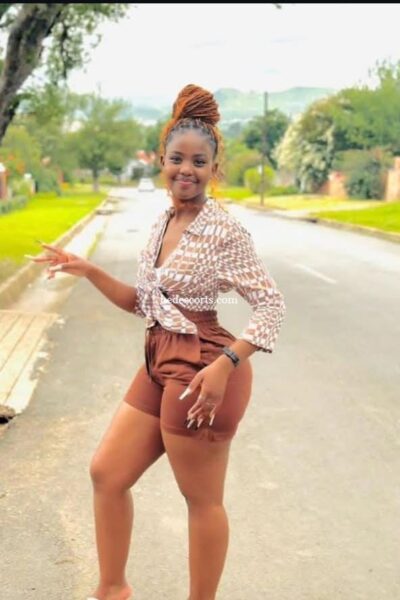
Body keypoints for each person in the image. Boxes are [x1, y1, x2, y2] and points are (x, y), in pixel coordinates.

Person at [31, 84, 286, 600]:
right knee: (107, 473)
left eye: (199, 162)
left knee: (201, 500)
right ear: (163, 161)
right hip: (159, 359)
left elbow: (272, 306)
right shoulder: (162, 222)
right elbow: (143, 303)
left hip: (204, 369)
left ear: (214, 168)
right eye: (177, 159)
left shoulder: (224, 232)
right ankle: (113, 589)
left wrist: (226, 364)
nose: (186, 169)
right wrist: (88, 270)